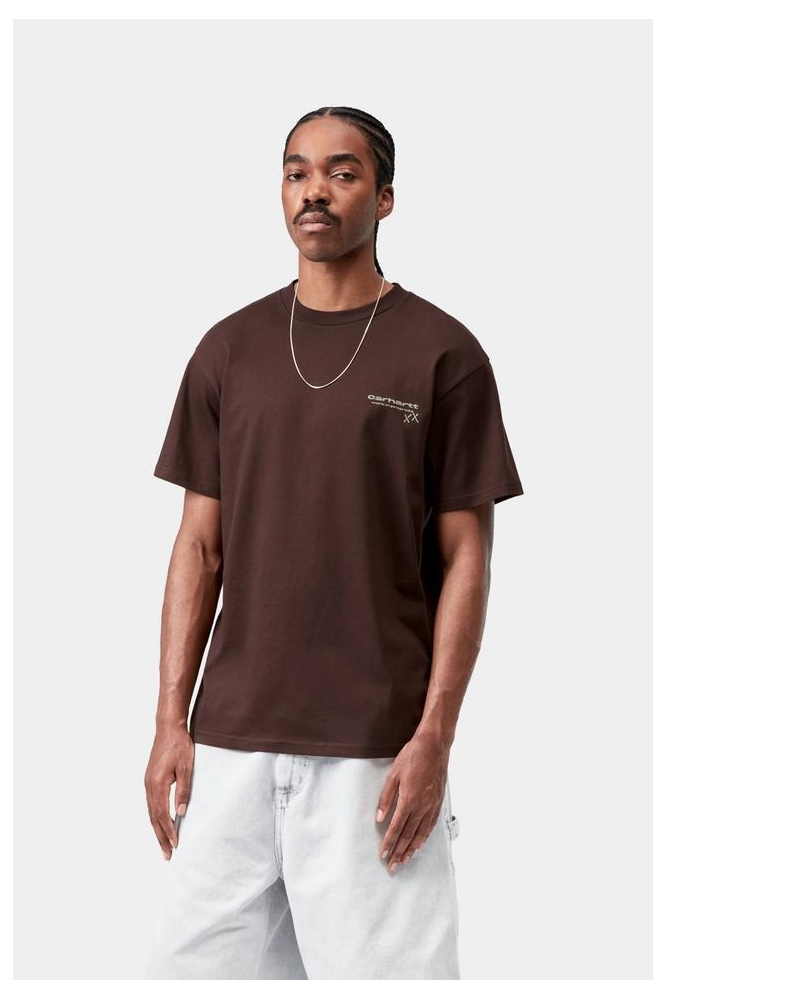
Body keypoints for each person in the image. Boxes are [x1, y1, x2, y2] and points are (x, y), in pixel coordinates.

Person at [143, 106, 524, 980]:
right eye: (297, 172)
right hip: (230, 744)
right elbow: (198, 549)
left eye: (342, 173)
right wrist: (170, 721)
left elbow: (467, 558)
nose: (314, 190)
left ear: (384, 198)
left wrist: (435, 737)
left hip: (372, 750)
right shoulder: (228, 350)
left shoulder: (444, 354)